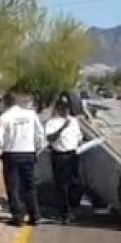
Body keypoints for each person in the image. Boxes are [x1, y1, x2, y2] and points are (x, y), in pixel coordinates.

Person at [0, 90, 46, 227]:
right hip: (28, 153)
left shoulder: (5, 117)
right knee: (29, 186)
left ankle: (18, 217)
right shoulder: (30, 114)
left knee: (13, 186)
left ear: (5, 102)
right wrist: (37, 149)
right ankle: (35, 215)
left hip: (11, 154)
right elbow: (40, 134)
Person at [44, 96, 84, 224]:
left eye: (67, 107)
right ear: (58, 108)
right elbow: (50, 138)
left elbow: (79, 137)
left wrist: (79, 143)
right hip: (60, 156)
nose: (65, 110)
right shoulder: (52, 122)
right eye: (63, 107)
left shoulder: (74, 121)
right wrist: (62, 128)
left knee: (76, 184)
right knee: (62, 186)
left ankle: (72, 209)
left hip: (73, 155)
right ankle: (64, 213)